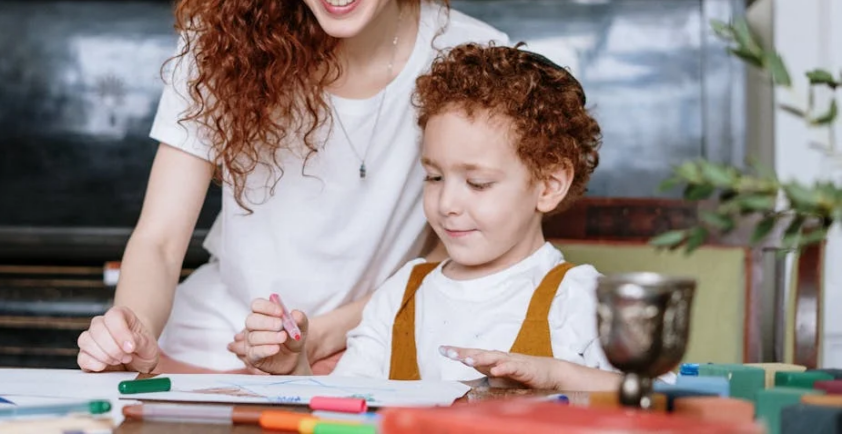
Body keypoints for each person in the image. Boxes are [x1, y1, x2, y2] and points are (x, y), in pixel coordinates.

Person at [76, 0, 507, 374]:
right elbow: (157, 240)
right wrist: (132, 332)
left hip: (379, 338)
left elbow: (455, 255)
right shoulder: (219, 44)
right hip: (214, 339)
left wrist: (327, 335)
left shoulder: (475, 60)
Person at [241, 43, 623, 391]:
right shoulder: (402, 295)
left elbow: (657, 401)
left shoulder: (583, 298)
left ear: (549, 185)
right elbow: (346, 406)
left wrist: (558, 375)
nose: (447, 203)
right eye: (434, 177)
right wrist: (296, 372)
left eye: (477, 183)